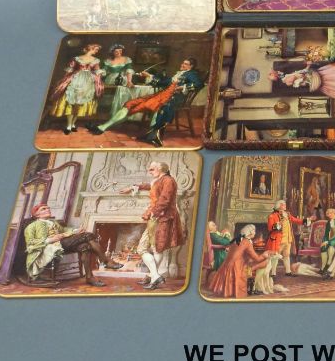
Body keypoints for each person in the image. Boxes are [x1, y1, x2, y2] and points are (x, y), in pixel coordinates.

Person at [87, 57, 204, 147]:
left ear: (191, 66)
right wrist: (149, 75)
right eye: (183, 63)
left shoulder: (192, 74)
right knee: (131, 104)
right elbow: (163, 82)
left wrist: (183, 87)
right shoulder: (179, 74)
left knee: (159, 107)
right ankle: (102, 127)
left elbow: (199, 84)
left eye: (185, 64)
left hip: (173, 99)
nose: (182, 65)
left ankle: (152, 136)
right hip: (161, 95)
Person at [119, 161, 184, 290]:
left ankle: (153, 276)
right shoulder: (160, 180)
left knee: (155, 248)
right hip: (157, 217)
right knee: (146, 248)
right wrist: (133, 187)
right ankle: (154, 276)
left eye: (152, 169)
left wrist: (154, 212)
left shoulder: (168, 180)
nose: (149, 171)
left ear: (161, 169)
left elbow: (164, 199)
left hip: (162, 217)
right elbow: (150, 186)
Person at [23, 203, 123, 287]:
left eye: (48, 208)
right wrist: (49, 240)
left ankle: (89, 277)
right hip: (50, 247)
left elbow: (64, 230)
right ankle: (105, 261)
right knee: (87, 235)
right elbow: (30, 243)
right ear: (36, 214)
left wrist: (76, 230)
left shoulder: (53, 222)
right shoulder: (31, 226)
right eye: (43, 209)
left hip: (61, 244)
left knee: (85, 246)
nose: (48, 209)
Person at [49, 43, 105, 134]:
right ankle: (68, 125)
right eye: (96, 49)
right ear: (90, 48)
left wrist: (100, 75)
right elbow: (70, 69)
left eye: (97, 50)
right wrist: (65, 80)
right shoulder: (76, 58)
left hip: (88, 82)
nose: (97, 51)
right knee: (71, 103)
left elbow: (97, 71)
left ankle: (73, 124)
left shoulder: (96, 60)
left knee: (79, 104)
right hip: (75, 80)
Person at [268, 58, 335, 105]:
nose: (277, 71)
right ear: (277, 76)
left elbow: (302, 73)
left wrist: (308, 66)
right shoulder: (287, 80)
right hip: (316, 79)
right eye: (275, 73)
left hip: (319, 74)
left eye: (276, 71)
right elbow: (302, 75)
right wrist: (308, 67)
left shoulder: (287, 76)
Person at [208, 225, 272, 298]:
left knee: (254, 263)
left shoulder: (237, 238)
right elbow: (257, 258)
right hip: (237, 268)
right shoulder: (247, 242)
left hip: (226, 266)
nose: (255, 232)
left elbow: (235, 251)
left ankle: (256, 285)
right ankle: (256, 285)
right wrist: (264, 255)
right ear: (250, 232)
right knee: (264, 262)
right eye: (254, 231)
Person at [265, 200, 312, 278]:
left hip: (288, 239)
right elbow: (270, 228)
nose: (285, 205)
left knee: (287, 255)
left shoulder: (287, 214)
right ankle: (273, 273)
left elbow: (296, 220)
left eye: (284, 204)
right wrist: (279, 224)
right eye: (283, 204)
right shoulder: (272, 216)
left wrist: (306, 220)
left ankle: (288, 271)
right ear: (278, 206)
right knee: (275, 256)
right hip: (278, 240)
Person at [102, 43, 136, 118]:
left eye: (120, 51)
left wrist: (129, 81)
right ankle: (111, 114)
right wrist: (100, 73)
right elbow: (104, 70)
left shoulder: (126, 59)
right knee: (111, 96)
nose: (119, 53)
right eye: (116, 51)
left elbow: (129, 70)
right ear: (112, 52)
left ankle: (122, 114)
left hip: (123, 78)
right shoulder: (108, 61)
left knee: (123, 96)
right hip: (111, 79)